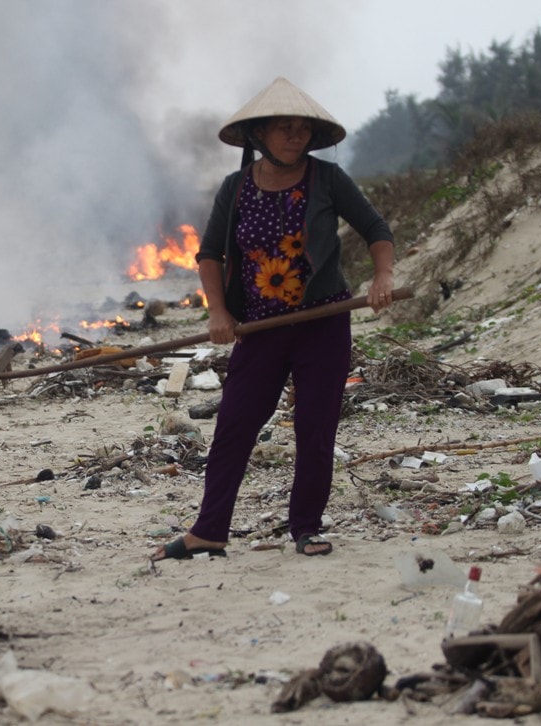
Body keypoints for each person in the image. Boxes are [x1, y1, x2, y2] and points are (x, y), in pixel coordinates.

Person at [152, 77, 395, 561]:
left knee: (315, 426)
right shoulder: (236, 188)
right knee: (235, 426)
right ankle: (209, 530)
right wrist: (219, 311)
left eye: (301, 129)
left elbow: (375, 229)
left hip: (322, 324)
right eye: (284, 128)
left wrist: (383, 276)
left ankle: (305, 527)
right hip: (258, 330)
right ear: (260, 135)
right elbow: (210, 255)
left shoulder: (328, 180)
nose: (294, 136)